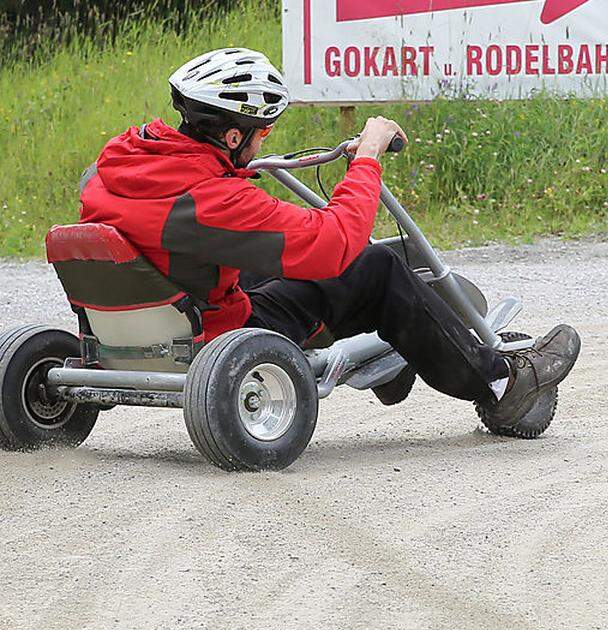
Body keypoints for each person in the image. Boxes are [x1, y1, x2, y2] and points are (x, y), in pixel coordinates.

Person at [78, 47, 580, 429]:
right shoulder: (210, 201)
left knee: (273, 258)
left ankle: (386, 356)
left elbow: (222, 222)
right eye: (262, 133)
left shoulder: (115, 168)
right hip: (215, 333)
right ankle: (499, 381)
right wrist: (368, 158)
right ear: (233, 137)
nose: (260, 143)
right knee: (373, 265)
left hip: (150, 314)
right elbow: (334, 242)